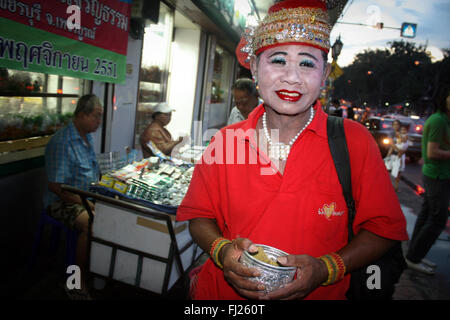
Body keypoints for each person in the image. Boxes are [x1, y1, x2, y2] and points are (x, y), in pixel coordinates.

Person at [176, 0, 407, 300]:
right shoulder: (225, 141)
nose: (292, 77)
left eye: (308, 63)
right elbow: (199, 217)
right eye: (278, 59)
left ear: (324, 75)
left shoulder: (354, 142)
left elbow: (384, 229)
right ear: (255, 69)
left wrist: (327, 268)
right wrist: (222, 252)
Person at [44, 94, 103, 299]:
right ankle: (76, 282)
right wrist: (86, 204)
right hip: (62, 201)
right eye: (96, 116)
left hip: (85, 196)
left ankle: (97, 271)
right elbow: (56, 187)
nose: (99, 122)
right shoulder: (63, 142)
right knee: (92, 222)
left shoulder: (88, 137)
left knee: (117, 212)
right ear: (81, 115)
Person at [405, 83, 450, 275]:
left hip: (440, 174)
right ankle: (414, 257)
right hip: (437, 175)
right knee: (438, 218)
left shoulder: (444, 120)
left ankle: (413, 255)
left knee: (426, 215)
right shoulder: (438, 121)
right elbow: (432, 152)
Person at [384, 125, 409, 191]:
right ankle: (386, 185)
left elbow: (405, 143)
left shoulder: (405, 136)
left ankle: (396, 187)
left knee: (399, 171)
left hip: (401, 155)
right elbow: (392, 145)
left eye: (404, 130)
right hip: (394, 155)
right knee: (388, 170)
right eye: (402, 130)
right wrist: (399, 150)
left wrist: (402, 151)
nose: (403, 131)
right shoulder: (394, 135)